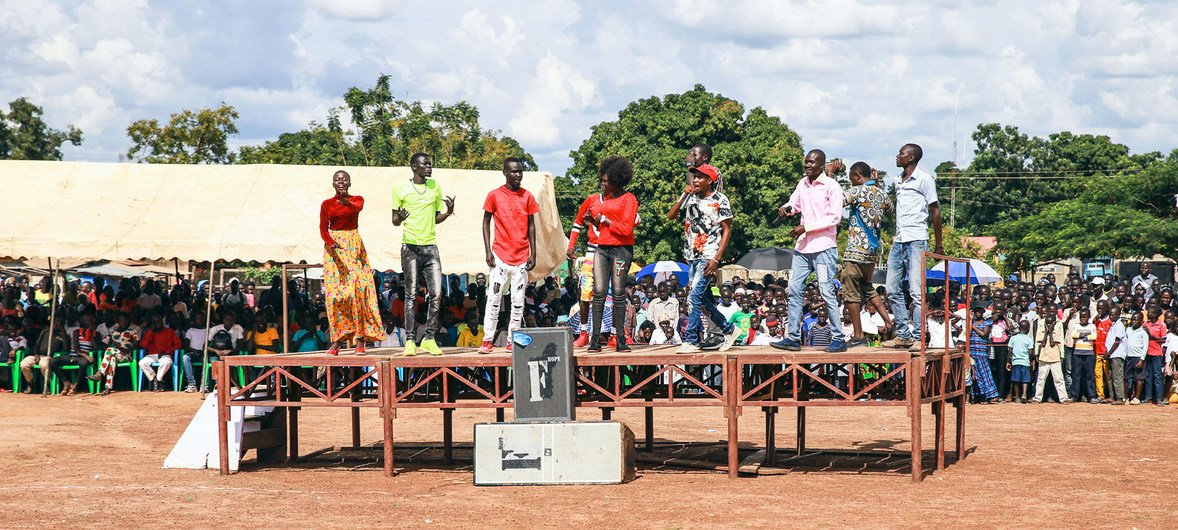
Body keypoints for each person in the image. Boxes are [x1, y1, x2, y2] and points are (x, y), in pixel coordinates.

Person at [772, 150, 847, 353]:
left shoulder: (832, 186)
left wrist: (806, 227)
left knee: (826, 291)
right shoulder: (802, 184)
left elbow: (835, 217)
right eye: (806, 162)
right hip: (803, 248)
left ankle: (839, 338)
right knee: (794, 289)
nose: (807, 165)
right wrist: (786, 209)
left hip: (824, 247)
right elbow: (794, 204)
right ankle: (793, 338)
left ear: (821, 165)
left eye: (812, 162)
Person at [665, 163, 738, 353]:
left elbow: (727, 230)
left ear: (709, 180)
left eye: (699, 177)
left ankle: (691, 340)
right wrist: (683, 196)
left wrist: (717, 259)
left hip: (709, 254)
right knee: (703, 301)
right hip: (692, 256)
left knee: (693, 297)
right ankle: (729, 330)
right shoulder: (690, 197)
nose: (695, 180)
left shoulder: (720, 199)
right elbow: (671, 216)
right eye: (694, 177)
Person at [391, 154, 455, 356]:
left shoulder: (434, 186)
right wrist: (400, 218)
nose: (429, 167)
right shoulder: (400, 188)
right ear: (414, 167)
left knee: (436, 294)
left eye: (430, 164)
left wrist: (448, 212)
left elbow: (435, 218)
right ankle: (410, 340)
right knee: (411, 294)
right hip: (410, 247)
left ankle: (429, 338)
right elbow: (394, 220)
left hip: (430, 247)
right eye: (425, 164)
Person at [882, 143, 943, 351]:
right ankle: (903, 335)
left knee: (917, 292)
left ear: (911, 158)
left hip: (917, 240)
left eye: (901, 153)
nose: (897, 156)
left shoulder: (924, 179)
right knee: (891, 289)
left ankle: (919, 337)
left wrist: (939, 245)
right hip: (899, 240)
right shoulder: (898, 181)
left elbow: (935, 210)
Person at [321, 170, 387, 355]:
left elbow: (356, 208)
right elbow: (323, 229)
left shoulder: (357, 199)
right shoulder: (326, 204)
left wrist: (344, 200)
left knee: (358, 291)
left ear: (349, 183)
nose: (341, 181)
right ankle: (337, 339)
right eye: (337, 179)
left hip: (353, 244)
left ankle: (360, 339)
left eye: (344, 179)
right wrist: (331, 242)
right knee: (335, 296)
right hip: (334, 248)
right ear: (333, 183)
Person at [478, 158, 539, 353]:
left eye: (520, 171)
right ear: (505, 172)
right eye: (514, 171)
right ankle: (487, 339)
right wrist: (488, 250)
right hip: (500, 254)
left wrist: (533, 253)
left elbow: (531, 225)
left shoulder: (527, 196)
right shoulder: (494, 195)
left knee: (518, 301)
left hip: (521, 257)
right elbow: (485, 222)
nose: (518, 175)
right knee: (494, 298)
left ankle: (512, 339)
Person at [582, 156, 639, 352]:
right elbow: (603, 227)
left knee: (618, 293)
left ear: (616, 180)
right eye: (602, 180)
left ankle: (620, 338)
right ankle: (595, 338)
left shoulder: (629, 199)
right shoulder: (607, 198)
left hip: (621, 250)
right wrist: (593, 221)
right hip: (602, 248)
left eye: (606, 181)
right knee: (598, 293)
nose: (602, 184)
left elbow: (626, 229)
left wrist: (604, 220)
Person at [838, 161, 893, 347]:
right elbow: (890, 208)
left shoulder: (857, 191)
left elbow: (837, 201)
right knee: (867, 287)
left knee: (851, 293)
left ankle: (858, 335)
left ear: (857, 177)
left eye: (851, 179)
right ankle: (889, 323)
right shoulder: (881, 193)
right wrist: (877, 185)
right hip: (872, 250)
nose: (851, 183)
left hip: (855, 250)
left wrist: (830, 177)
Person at [48, 312, 97, 396]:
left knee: (83, 363)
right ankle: (66, 382)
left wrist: (90, 335)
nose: (85, 322)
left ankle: (75, 386)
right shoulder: (76, 332)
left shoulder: (96, 333)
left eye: (87, 320)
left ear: (91, 322)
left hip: (82, 359)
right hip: (74, 355)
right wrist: (86, 356)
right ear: (80, 322)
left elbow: (95, 348)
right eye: (83, 320)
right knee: (52, 361)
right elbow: (77, 349)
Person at [87, 325, 139, 396]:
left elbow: (137, 345)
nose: (122, 323)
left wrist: (127, 349)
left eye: (124, 321)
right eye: (120, 321)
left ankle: (100, 373)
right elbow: (104, 343)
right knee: (112, 360)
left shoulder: (133, 331)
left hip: (126, 356)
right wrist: (110, 347)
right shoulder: (113, 331)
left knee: (110, 350)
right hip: (113, 354)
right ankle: (108, 387)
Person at [1032, 313, 1069, 403]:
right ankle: (1037, 398)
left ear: (1054, 323)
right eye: (1047, 323)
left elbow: (1055, 343)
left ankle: (1063, 398)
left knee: (1058, 378)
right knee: (1041, 378)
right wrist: (1046, 332)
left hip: (1055, 356)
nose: (1048, 325)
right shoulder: (1042, 329)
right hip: (1043, 356)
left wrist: (1062, 355)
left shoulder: (1058, 328)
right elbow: (1041, 342)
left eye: (1050, 323)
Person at [139, 313, 181, 392]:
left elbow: (178, 344)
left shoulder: (169, 331)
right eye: (155, 322)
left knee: (166, 362)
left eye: (159, 321)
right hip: (152, 355)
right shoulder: (149, 332)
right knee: (142, 363)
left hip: (165, 354)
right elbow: (143, 345)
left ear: (162, 322)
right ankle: (154, 379)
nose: (157, 323)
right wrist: (151, 332)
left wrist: (167, 351)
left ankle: (158, 380)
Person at [968, 305, 999, 403]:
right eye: (975, 311)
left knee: (985, 373)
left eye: (979, 311)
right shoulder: (971, 322)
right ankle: (980, 395)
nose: (977, 312)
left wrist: (973, 326)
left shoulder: (987, 323)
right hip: (972, 351)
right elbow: (968, 334)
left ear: (983, 311)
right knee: (976, 375)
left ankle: (992, 394)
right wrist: (970, 321)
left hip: (981, 352)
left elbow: (984, 334)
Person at [1069, 309, 1100, 403]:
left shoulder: (1092, 326)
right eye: (1081, 317)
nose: (1083, 319)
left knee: (1090, 375)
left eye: (1085, 317)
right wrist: (1085, 334)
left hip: (1089, 353)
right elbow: (1073, 335)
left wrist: (1081, 336)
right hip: (1077, 353)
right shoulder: (1076, 326)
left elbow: (1094, 337)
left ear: (1089, 317)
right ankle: (1075, 395)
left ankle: (1091, 396)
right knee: (1076, 375)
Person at [1142, 306, 1168, 405]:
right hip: (1147, 353)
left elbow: (1163, 340)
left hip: (1157, 353)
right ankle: (1148, 397)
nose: (1148, 314)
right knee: (1148, 375)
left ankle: (1159, 398)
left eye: (1150, 312)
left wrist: (1151, 336)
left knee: (1157, 376)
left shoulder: (1161, 325)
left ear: (1156, 314)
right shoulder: (1146, 324)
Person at [1104, 305, 1128, 404]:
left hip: (1116, 354)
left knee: (1117, 377)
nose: (1111, 316)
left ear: (1118, 315)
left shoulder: (1119, 325)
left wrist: (1109, 352)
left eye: (1113, 314)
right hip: (1111, 354)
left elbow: (1117, 341)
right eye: (1110, 314)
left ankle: (1119, 398)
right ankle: (1112, 396)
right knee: (1110, 376)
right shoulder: (1113, 325)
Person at [1124, 311, 1148, 405]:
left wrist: (1142, 359)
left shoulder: (1143, 333)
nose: (1133, 321)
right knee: (1126, 378)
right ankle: (1126, 397)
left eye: (1136, 320)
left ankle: (1137, 398)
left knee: (1139, 378)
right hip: (1129, 357)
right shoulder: (1128, 330)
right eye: (1132, 319)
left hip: (1138, 357)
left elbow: (1145, 347)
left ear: (1141, 321)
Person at [1007, 321, 1034, 403]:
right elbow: (1030, 352)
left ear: (1019, 328)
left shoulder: (1013, 338)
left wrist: (1008, 362)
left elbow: (1009, 351)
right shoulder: (1029, 339)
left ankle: (1017, 397)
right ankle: (1024, 394)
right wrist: (1031, 361)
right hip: (1025, 362)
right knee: (1025, 380)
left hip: (1015, 362)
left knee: (1016, 380)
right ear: (1028, 329)